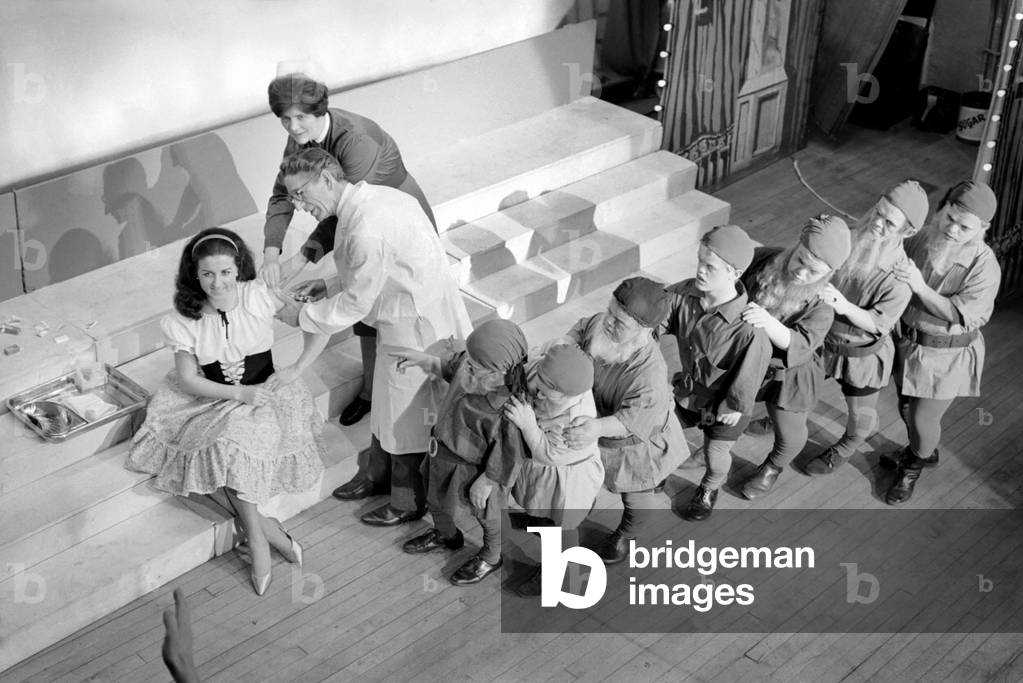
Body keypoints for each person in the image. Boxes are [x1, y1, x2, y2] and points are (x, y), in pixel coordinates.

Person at [275, 148, 472, 527]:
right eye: (293, 197)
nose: (299, 206)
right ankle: (378, 475)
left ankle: (408, 501)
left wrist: (299, 315)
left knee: (407, 419)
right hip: (400, 316)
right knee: (385, 406)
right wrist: (327, 283)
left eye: (301, 194)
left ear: (328, 180)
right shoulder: (372, 199)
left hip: (414, 327)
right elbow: (373, 271)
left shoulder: (367, 224)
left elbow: (354, 304)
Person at [127, 228, 328, 596]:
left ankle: (258, 536)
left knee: (232, 447)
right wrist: (239, 393)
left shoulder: (257, 297)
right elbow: (188, 379)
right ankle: (262, 532)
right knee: (220, 444)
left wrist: (295, 369)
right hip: (216, 394)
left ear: (239, 270)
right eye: (207, 274)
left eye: (225, 273)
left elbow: (320, 325)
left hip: (266, 395)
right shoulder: (183, 318)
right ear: (195, 275)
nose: (217, 283)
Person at [260, 72, 437, 428]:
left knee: (382, 311)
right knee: (367, 319)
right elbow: (283, 194)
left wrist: (305, 256)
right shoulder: (301, 139)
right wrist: (272, 252)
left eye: (300, 117)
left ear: (319, 110)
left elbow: (344, 210)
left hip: (390, 218)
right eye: (285, 118)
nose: (293, 127)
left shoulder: (355, 141)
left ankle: (396, 399)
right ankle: (372, 391)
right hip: (355, 224)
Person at [883, 180, 1001, 504]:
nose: (952, 230)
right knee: (907, 408)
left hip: (946, 357)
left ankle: (913, 465)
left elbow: (960, 314)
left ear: (983, 228)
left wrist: (920, 288)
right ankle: (921, 449)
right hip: (906, 344)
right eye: (950, 218)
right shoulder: (922, 238)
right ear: (943, 208)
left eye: (965, 227)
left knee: (923, 418)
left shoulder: (985, 267)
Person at [560, 277, 689, 564]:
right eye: (610, 312)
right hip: (597, 425)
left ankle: (627, 535)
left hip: (635, 444)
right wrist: (565, 346)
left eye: (620, 322)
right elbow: (581, 329)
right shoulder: (601, 324)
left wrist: (596, 428)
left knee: (635, 495)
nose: (609, 323)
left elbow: (631, 420)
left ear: (645, 329)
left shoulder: (649, 374)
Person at [804, 181, 928, 475]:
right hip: (821, 338)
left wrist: (843, 306)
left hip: (860, 352)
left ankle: (846, 447)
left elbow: (879, 323)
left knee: (860, 415)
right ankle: (784, 418)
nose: (877, 223)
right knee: (796, 386)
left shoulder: (900, 276)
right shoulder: (848, 235)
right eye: (878, 212)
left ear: (907, 232)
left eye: (889, 223)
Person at [396, 319, 529, 585]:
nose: (467, 364)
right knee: (436, 499)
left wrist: (488, 480)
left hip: (477, 471)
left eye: (475, 363)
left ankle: (492, 557)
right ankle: (446, 535)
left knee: (487, 515)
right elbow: (450, 367)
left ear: (499, 370)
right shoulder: (469, 366)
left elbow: (511, 452)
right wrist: (424, 360)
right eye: (469, 359)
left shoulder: (510, 407)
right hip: (441, 454)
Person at [662, 225, 772, 521]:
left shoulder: (749, 329)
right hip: (689, 393)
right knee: (660, 427)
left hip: (725, 406)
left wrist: (734, 408)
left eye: (710, 266)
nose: (700, 270)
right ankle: (658, 470)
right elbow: (657, 321)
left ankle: (710, 488)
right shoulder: (683, 295)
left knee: (716, 452)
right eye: (699, 261)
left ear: (734, 273)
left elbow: (748, 379)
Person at [738, 215, 851, 499]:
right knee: (725, 409)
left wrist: (768, 321)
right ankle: (713, 451)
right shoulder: (768, 259)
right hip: (747, 356)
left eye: (813, 271)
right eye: (800, 259)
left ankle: (773, 467)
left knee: (790, 432)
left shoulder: (822, 305)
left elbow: (800, 343)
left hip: (790, 371)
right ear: (796, 246)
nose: (801, 272)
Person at [505, 343, 603, 596]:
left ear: (567, 395)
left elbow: (547, 454)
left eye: (547, 394)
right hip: (547, 477)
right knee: (545, 515)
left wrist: (528, 426)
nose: (538, 395)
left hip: (565, 481)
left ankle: (568, 576)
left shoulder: (576, 421)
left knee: (562, 530)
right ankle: (539, 519)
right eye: (540, 386)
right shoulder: (554, 377)